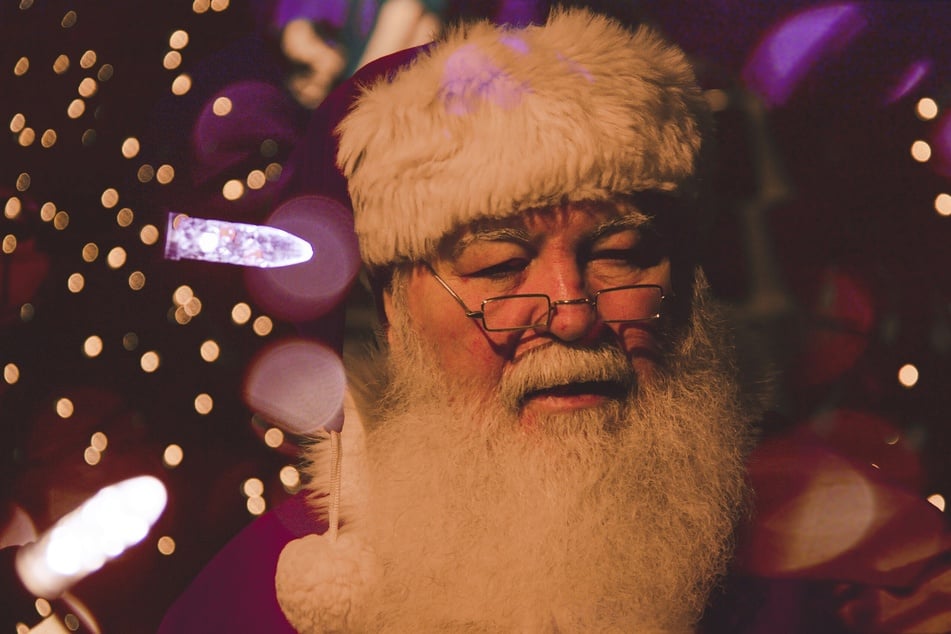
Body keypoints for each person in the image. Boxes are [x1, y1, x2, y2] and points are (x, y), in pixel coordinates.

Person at [270, 7, 762, 632]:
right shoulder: (250, 604)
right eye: (501, 264)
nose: (573, 314)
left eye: (619, 255)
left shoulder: (839, 583)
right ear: (394, 313)